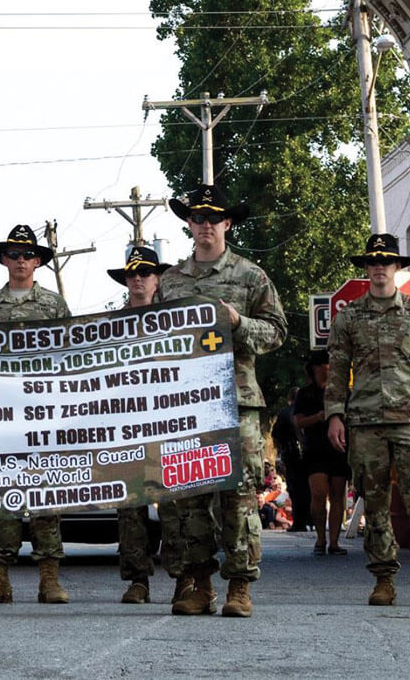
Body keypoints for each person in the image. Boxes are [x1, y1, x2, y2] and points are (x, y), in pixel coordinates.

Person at [159, 183, 287, 618]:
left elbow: (277, 333)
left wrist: (238, 322)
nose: (205, 225)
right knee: (190, 497)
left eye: (213, 218)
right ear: (188, 225)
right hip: (187, 406)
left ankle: (239, 585)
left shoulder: (251, 276)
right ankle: (197, 584)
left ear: (227, 223)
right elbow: (150, 342)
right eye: (197, 218)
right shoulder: (171, 282)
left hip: (237, 401)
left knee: (239, 495)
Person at [325, 233, 410, 608]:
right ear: (366, 268)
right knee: (375, 503)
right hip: (365, 423)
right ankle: (383, 579)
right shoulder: (348, 317)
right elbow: (336, 372)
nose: (379, 267)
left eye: (386, 261)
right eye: (373, 261)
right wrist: (335, 415)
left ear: (398, 268)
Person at [0, 224, 71, 605]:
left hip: (43, 415)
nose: (20, 260)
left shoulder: (54, 306)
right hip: (1, 419)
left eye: (27, 254)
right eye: (13, 254)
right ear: (4, 260)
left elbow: (71, 357)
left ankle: (49, 579)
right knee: (2, 499)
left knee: (46, 497)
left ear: (38, 260)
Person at [105, 245, 186, 604]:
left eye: (146, 273)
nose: (138, 279)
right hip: (126, 426)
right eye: (132, 274)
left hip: (169, 425)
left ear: (158, 278)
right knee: (130, 509)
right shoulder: (110, 326)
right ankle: (137, 580)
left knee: (175, 509)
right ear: (125, 280)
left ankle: (183, 577)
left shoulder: (177, 320)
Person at [294, 350, 349, 555]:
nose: (331, 368)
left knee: (337, 494)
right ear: (317, 367)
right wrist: (318, 417)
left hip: (339, 448)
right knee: (318, 493)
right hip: (315, 448)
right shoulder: (305, 393)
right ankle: (320, 537)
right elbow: (298, 421)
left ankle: (334, 542)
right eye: (327, 364)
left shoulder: (342, 392)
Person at [271, 386, 310, 532]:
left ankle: (299, 521)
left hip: (291, 453)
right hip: (308, 453)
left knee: (294, 488)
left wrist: (279, 452)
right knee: (308, 487)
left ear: (289, 399)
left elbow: (276, 434)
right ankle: (310, 520)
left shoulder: (284, 413)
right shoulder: (308, 412)